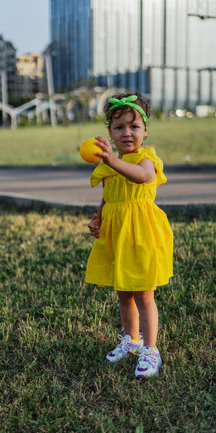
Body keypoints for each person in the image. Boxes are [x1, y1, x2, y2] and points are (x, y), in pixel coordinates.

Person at [85, 92, 173, 378]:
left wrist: (111, 161)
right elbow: (108, 200)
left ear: (145, 131)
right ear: (109, 132)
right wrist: (99, 219)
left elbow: (142, 177)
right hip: (117, 237)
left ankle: (151, 349)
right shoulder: (108, 167)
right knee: (123, 293)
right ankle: (131, 339)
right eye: (119, 127)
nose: (127, 133)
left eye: (134, 127)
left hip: (142, 237)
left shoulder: (148, 159)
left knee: (144, 294)